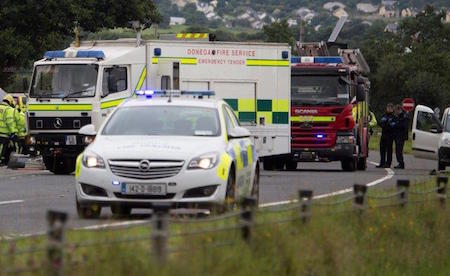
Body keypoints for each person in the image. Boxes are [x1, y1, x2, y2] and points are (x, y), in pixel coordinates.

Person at [0, 95, 18, 166]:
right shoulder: (8, 109)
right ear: (10, 101)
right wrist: (13, 132)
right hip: (4, 133)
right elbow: (10, 122)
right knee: (2, 147)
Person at [377, 103, 395, 168]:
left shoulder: (394, 116)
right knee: (382, 149)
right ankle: (382, 162)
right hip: (384, 134)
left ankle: (388, 163)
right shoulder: (384, 115)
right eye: (388, 108)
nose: (388, 109)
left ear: (392, 109)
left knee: (389, 150)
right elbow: (380, 123)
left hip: (390, 135)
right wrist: (384, 123)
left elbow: (393, 125)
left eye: (390, 108)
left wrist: (388, 124)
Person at [392, 105, 409, 169]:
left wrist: (396, 124)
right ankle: (400, 163)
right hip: (397, 136)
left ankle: (401, 163)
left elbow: (403, 126)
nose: (395, 112)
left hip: (401, 136)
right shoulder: (398, 117)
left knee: (399, 150)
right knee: (397, 150)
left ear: (399, 110)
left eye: (396, 110)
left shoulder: (403, 117)